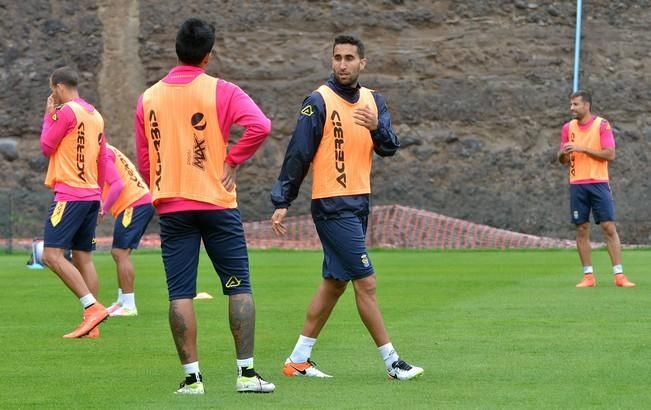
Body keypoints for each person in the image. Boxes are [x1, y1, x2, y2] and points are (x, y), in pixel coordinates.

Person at [270, 35, 424, 381]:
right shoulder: (317, 101)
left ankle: (298, 359)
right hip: (332, 205)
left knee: (334, 283)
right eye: (337, 57)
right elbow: (298, 153)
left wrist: (377, 127)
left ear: (362, 63)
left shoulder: (374, 101)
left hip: (359, 202)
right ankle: (392, 362)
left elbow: (390, 147)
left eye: (349, 58)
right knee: (366, 282)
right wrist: (283, 200)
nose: (342, 63)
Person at [135, 18, 275, 394]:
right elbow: (261, 125)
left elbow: (145, 157)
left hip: (173, 207)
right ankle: (246, 375)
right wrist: (232, 160)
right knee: (238, 287)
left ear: (176, 50)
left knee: (180, 293)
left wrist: (160, 188)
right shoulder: (221, 90)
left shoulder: (149, 98)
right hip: (216, 201)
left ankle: (193, 379)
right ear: (208, 56)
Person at [40, 66, 109, 339]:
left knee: (51, 256)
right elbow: (102, 159)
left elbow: (47, 146)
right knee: (83, 258)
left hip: (70, 195)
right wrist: (101, 195)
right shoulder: (95, 115)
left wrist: (48, 117)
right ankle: (93, 325)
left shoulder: (65, 112)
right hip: (91, 194)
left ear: (58, 87)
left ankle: (92, 308)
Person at [558, 90, 635, 288]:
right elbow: (563, 160)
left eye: (575, 104)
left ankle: (619, 276)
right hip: (577, 184)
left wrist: (582, 148)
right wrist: (563, 154)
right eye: (571, 104)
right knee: (582, 229)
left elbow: (610, 154)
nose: (571, 108)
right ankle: (588, 276)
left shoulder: (602, 125)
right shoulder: (568, 128)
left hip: (599, 183)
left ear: (587, 105)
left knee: (609, 227)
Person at [101, 143, 155, 317]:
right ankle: (121, 302)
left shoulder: (103, 153)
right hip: (137, 202)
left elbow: (117, 185)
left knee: (119, 253)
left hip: (134, 204)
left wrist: (103, 209)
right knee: (118, 254)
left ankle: (129, 305)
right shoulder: (107, 149)